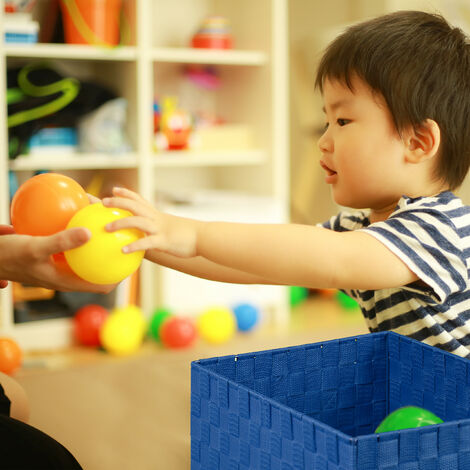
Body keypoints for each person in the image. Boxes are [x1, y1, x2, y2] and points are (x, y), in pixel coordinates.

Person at [102, 10, 470, 358]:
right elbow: (257, 265)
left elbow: (334, 260)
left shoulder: (438, 229)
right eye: (326, 121)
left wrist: (193, 233)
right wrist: (147, 240)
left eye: (342, 121)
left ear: (418, 142)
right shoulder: (362, 228)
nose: (323, 140)